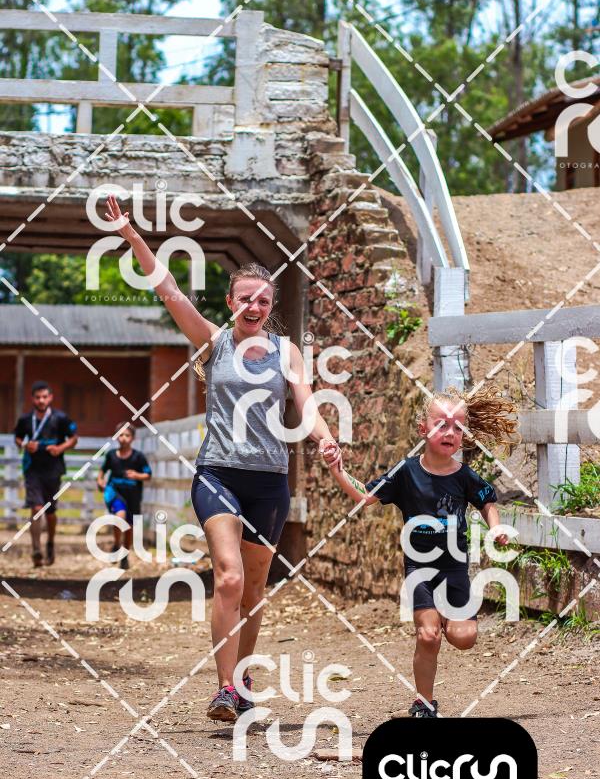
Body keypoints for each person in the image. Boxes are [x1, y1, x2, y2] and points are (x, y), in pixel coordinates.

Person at [105, 194, 342, 722]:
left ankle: (243, 676)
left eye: (263, 300)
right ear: (231, 302)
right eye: (244, 299)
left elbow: (306, 403)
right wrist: (133, 237)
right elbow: (168, 289)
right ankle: (225, 689)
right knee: (230, 578)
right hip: (218, 475)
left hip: (269, 482)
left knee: (254, 590)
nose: (253, 307)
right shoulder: (213, 342)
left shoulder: (285, 352)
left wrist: (324, 438)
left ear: (271, 305)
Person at [323, 385, 517, 718]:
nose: (450, 432)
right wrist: (337, 469)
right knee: (428, 636)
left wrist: (495, 527)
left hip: (454, 569)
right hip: (420, 569)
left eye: (458, 427)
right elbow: (365, 497)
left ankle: (448, 616)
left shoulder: (464, 476)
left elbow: (486, 500)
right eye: (441, 424)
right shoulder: (406, 472)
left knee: (465, 638)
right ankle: (423, 703)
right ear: (422, 429)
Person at [14, 381, 78, 567]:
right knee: (36, 508)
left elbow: (74, 438)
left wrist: (60, 448)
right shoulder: (25, 420)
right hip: (32, 469)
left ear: (50, 397)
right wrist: (25, 445)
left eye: (44, 397)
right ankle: (36, 550)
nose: (41, 401)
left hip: (53, 470)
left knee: (50, 512)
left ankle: (50, 541)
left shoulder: (61, 418)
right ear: (32, 399)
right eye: (37, 397)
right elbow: (17, 438)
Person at [96, 423, 152, 570]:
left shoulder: (138, 457)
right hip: (114, 492)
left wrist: (137, 475)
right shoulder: (111, 455)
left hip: (133, 495)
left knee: (129, 526)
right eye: (121, 435)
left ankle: (124, 555)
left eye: (127, 435)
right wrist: (100, 481)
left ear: (133, 438)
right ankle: (116, 543)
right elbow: (102, 471)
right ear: (116, 437)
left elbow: (148, 474)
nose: (124, 438)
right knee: (119, 517)